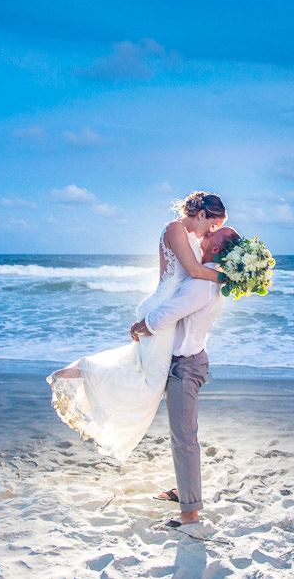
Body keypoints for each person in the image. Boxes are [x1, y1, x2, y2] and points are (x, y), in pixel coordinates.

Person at [46, 192, 226, 462]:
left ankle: (85, 371)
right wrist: (231, 278)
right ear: (201, 214)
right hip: (161, 309)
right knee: (150, 384)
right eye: (212, 225)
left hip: (167, 312)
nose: (211, 232)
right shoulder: (175, 229)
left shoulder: (190, 236)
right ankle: (84, 370)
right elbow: (193, 270)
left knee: (140, 371)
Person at [130, 226, 241, 527]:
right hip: (187, 361)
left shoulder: (202, 282)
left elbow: (171, 311)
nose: (204, 235)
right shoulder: (210, 277)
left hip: (185, 366)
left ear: (215, 249)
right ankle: (185, 490)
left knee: (184, 440)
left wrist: (142, 326)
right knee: (182, 436)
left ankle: (189, 513)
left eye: (211, 236)